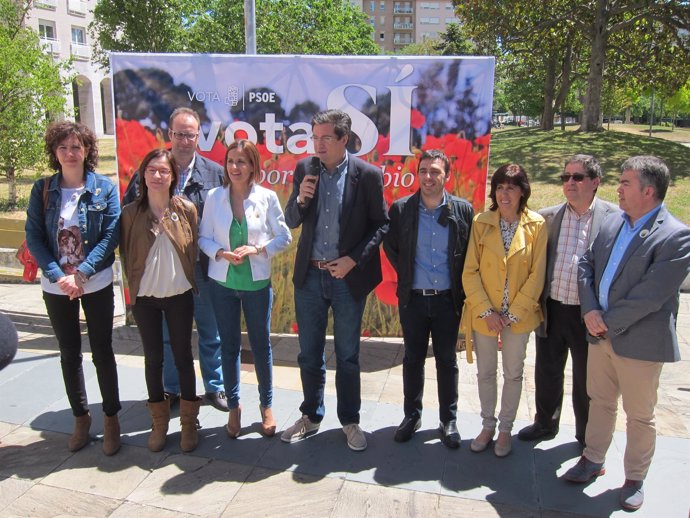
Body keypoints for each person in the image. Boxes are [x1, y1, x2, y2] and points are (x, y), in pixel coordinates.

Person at [563, 156, 690, 512]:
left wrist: (605, 320)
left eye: (626, 183)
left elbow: (651, 294)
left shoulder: (676, 236)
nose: (617, 189)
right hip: (599, 334)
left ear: (648, 191)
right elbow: (585, 262)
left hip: (639, 343)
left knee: (639, 415)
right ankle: (592, 459)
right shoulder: (614, 222)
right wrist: (589, 310)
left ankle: (634, 478)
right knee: (599, 402)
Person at [281, 109, 388, 451]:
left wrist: (353, 260)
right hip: (310, 276)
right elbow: (292, 219)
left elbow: (381, 225)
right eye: (315, 137)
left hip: (346, 278)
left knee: (348, 356)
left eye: (326, 138)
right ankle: (311, 416)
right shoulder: (304, 170)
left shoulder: (367, 175)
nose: (318, 144)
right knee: (309, 354)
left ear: (344, 139)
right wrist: (301, 198)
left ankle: (350, 421)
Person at [25, 121, 122, 455]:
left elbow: (111, 235)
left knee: (102, 351)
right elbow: (34, 237)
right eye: (63, 147)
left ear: (87, 151)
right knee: (69, 354)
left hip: (95, 282)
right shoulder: (43, 190)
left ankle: (111, 419)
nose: (70, 153)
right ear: (55, 151)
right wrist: (57, 274)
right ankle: (81, 418)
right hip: (57, 287)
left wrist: (81, 272)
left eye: (76, 147)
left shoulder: (104, 188)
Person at [123, 107, 227, 412]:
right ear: (170, 135)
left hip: (204, 270)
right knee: (168, 336)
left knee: (210, 331)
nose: (184, 140)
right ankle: (170, 389)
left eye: (190, 134)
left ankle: (215, 386)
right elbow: (129, 215)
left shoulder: (214, 173)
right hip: (164, 272)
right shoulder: (153, 169)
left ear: (199, 136)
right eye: (179, 134)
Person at [518, 155, 618, 446]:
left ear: (595, 182)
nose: (570, 183)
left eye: (577, 177)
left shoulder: (613, 220)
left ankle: (585, 435)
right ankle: (545, 423)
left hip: (589, 314)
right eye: (565, 177)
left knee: (587, 380)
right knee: (547, 370)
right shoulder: (547, 217)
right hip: (553, 307)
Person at [199, 139, 292, 438]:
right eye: (231, 161)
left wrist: (257, 250)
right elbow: (203, 238)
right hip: (222, 284)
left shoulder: (266, 197)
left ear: (253, 166)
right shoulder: (214, 197)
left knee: (262, 347)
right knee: (228, 347)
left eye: (242, 162)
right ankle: (235, 406)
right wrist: (220, 253)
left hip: (256, 285)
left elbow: (284, 237)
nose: (235, 167)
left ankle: (266, 406)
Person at [383, 149, 473, 449]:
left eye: (435, 171)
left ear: (446, 175)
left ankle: (448, 420)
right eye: (423, 171)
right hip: (414, 299)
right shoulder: (401, 209)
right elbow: (392, 247)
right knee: (412, 359)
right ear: (417, 173)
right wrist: (408, 273)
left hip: (448, 300)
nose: (428, 177)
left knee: (447, 361)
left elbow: (469, 253)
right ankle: (412, 415)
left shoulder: (463, 210)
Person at [461, 163, 547, 458]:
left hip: (518, 318)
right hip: (486, 316)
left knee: (513, 373)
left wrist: (512, 314)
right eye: (499, 187)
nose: (504, 193)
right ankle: (487, 425)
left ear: (523, 191)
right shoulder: (481, 222)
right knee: (485, 373)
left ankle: (505, 430)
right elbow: (469, 272)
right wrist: (487, 311)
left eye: (511, 187)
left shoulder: (537, 225)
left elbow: (537, 275)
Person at [120, 148, 201, 453]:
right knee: (153, 359)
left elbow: (192, 249)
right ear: (143, 174)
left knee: (182, 356)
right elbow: (126, 253)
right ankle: (159, 422)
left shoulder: (186, 209)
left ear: (173, 176)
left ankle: (189, 423)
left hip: (179, 296)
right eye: (151, 170)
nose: (157, 176)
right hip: (146, 300)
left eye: (163, 171)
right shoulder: (130, 213)